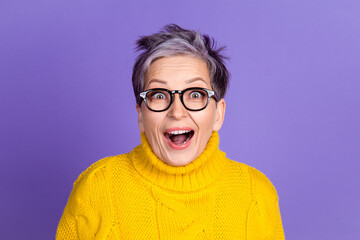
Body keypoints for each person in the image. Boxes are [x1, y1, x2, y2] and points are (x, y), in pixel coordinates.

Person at [56, 24, 285, 239]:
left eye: (195, 94)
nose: (177, 111)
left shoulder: (257, 193)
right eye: (159, 95)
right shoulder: (97, 187)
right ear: (140, 115)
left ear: (218, 114)